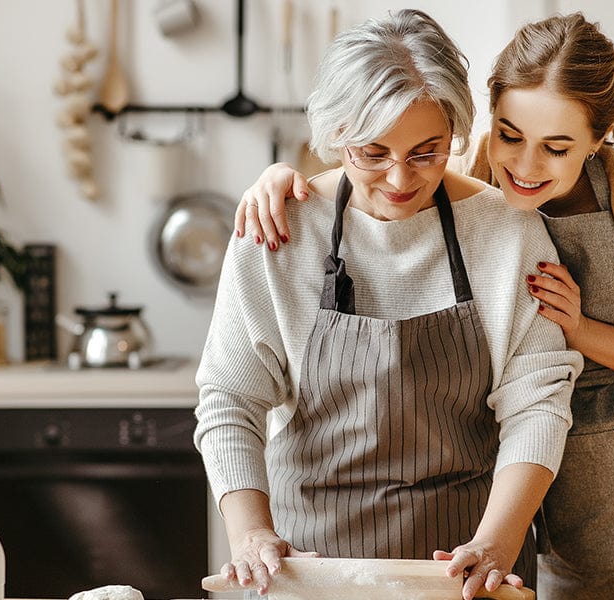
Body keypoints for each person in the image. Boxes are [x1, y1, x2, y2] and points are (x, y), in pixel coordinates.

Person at [232, 12, 614, 600]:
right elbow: (391, 163)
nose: (525, 167)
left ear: (602, 136)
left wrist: (578, 330)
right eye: (510, 135)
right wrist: (283, 180)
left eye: (557, 148)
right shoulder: (477, 178)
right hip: (546, 493)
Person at [193, 9, 581, 600]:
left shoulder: (508, 234)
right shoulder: (278, 231)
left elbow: (537, 402)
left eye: (428, 152)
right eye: (372, 153)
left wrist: (499, 540)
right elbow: (230, 399)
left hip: (465, 567)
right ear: (336, 135)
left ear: (456, 132)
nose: (400, 179)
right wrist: (250, 534)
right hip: (310, 569)